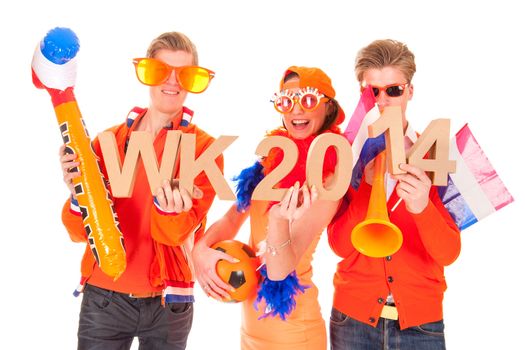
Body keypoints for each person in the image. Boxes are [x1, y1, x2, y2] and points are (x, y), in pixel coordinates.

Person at [59, 31, 222, 350]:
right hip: (104, 300)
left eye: (184, 74)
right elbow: (79, 232)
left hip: (169, 306)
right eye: (162, 71)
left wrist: (170, 212)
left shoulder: (204, 150)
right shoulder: (107, 143)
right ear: (147, 74)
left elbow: (176, 235)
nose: (172, 82)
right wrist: (80, 196)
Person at [192, 66, 345, 349]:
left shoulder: (331, 178)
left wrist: (277, 220)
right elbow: (232, 218)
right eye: (287, 101)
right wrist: (200, 250)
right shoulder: (273, 158)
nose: (296, 110)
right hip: (250, 325)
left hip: (294, 331)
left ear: (328, 107)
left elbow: (278, 270)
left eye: (308, 100)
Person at [327, 39, 461, 349]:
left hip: (421, 325)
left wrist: (422, 206)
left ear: (410, 91)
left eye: (394, 90)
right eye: (373, 91)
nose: (383, 101)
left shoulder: (435, 154)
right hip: (353, 320)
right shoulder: (348, 154)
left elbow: (449, 253)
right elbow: (340, 245)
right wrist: (368, 187)